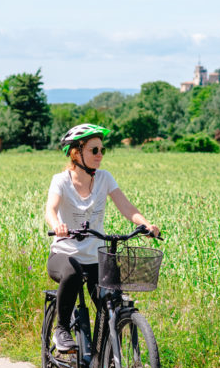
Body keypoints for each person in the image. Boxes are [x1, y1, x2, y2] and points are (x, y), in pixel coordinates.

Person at [44, 124, 159, 353]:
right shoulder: (61, 180)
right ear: (77, 152)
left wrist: (145, 224)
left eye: (102, 150)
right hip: (64, 254)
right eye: (94, 150)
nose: (100, 155)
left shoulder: (105, 178)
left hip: (96, 258)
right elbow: (51, 209)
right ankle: (62, 330)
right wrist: (57, 225)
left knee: (112, 303)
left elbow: (126, 206)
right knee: (73, 273)